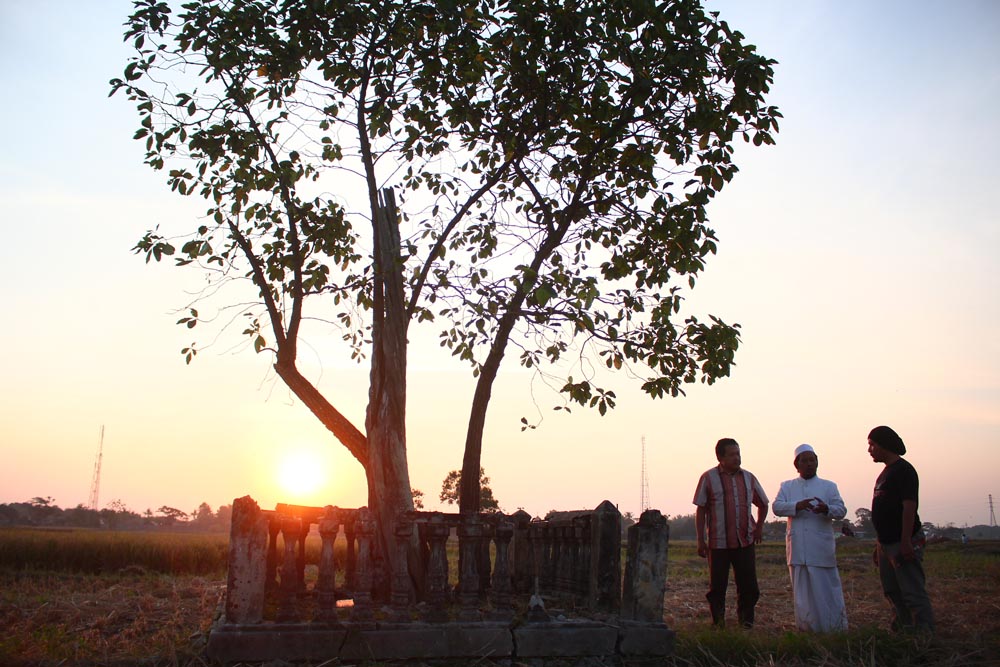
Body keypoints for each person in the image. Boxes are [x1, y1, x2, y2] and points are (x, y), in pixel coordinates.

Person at [693, 437, 769, 628]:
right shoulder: (708, 478)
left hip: (744, 541)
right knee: (717, 588)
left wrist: (759, 527)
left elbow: (763, 503)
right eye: (732, 454)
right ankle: (718, 624)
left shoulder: (749, 478)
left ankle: (746, 624)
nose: (737, 458)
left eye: (738, 453)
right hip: (718, 543)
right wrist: (701, 540)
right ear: (721, 457)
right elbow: (701, 509)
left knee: (749, 587)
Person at [772, 443, 848, 632]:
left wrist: (826, 509)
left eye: (812, 460)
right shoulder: (787, 486)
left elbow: (841, 510)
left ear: (817, 463)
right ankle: (807, 629)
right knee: (803, 595)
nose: (809, 464)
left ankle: (834, 629)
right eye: (804, 461)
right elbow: (776, 507)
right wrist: (797, 505)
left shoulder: (829, 487)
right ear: (796, 465)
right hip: (798, 549)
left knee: (826, 592)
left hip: (820, 549)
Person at [868, 425, 935, 633]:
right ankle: (903, 631)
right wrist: (879, 544)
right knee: (892, 590)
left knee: (912, 591)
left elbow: (909, 507)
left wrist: (906, 541)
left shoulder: (904, 470)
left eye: (872, 445)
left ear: (884, 445)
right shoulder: (885, 474)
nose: (869, 450)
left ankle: (924, 635)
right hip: (886, 543)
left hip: (901, 542)